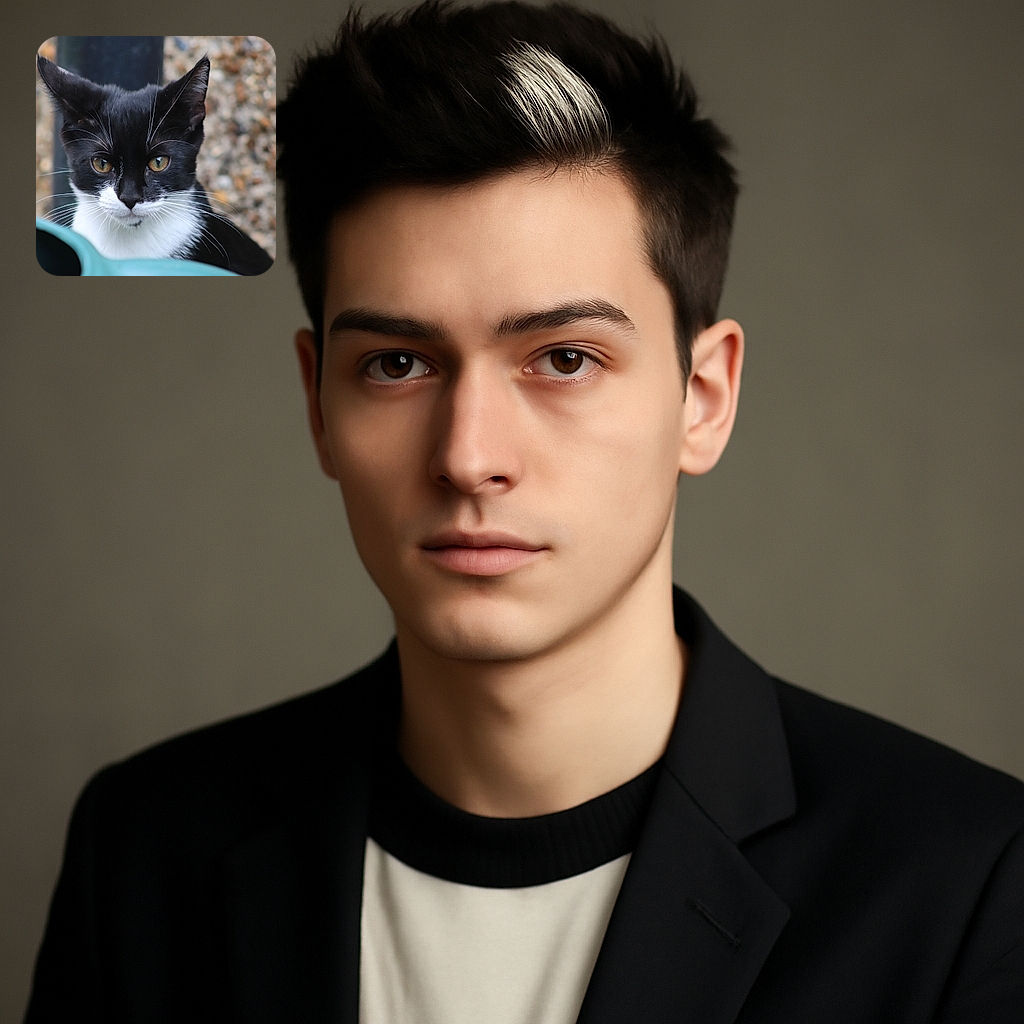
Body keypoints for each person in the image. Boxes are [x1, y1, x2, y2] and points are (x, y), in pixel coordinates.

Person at [24, 2, 1024, 1021]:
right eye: (397, 364)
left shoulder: (969, 885)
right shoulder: (145, 855)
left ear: (704, 397)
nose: (468, 458)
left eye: (563, 359)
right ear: (317, 402)